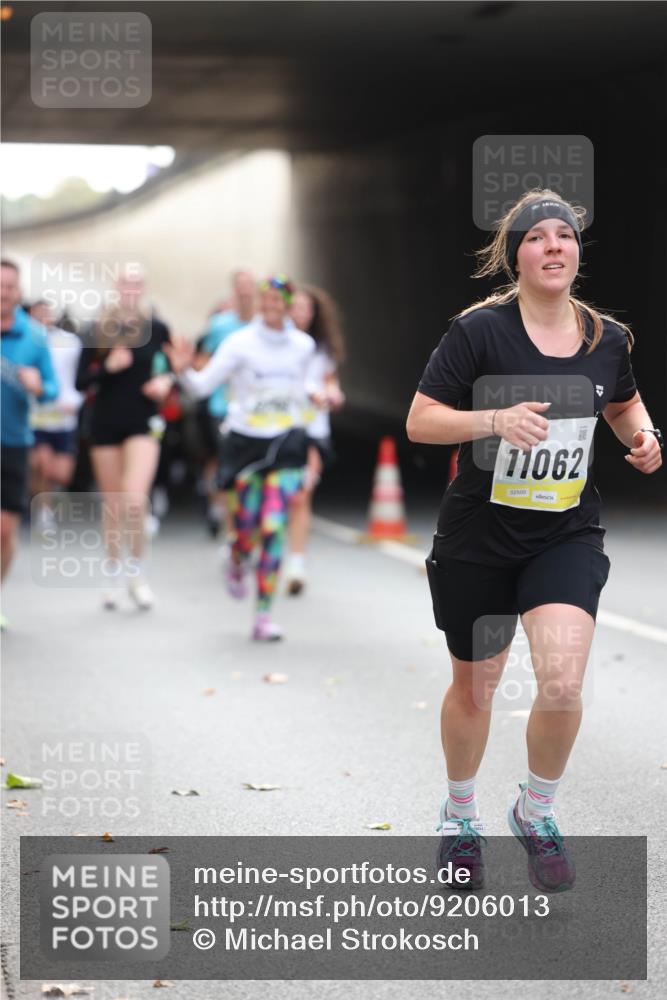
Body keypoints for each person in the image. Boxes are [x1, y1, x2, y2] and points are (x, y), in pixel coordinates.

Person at [406, 190, 663, 892]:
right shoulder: (477, 333)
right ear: (514, 255)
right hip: (477, 539)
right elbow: (421, 421)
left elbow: (621, 401)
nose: (553, 246)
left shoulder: (605, 337)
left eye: (565, 236)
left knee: (560, 680)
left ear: (577, 252)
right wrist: (492, 421)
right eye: (536, 237)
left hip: (564, 534)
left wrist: (642, 436)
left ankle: (534, 810)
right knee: (476, 689)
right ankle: (460, 819)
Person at [166, 274, 320, 641]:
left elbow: (304, 387)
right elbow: (202, 386)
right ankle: (237, 557)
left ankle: (263, 616)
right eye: (265, 301)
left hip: (285, 444)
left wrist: (319, 396)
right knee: (248, 526)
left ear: (287, 305)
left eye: (278, 301)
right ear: (258, 304)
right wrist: (184, 369)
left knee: (272, 526)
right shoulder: (239, 343)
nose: (271, 307)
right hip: (245, 445)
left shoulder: (303, 346)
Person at [75, 270, 173, 610]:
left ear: (143, 289)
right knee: (114, 504)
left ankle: (138, 574)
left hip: (142, 422)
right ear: (116, 288)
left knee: (135, 500)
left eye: (137, 284)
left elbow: (168, 366)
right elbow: (80, 380)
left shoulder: (157, 328)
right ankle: (113, 573)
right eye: (125, 283)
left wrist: (164, 382)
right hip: (105, 424)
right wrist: (108, 368)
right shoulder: (97, 328)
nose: (131, 290)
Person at [1, 261, 59, 626]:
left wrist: (39, 386)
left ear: (18, 292)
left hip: (14, 443)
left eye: (9, 287)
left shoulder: (35, 337)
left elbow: (53, 389)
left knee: (5, 532)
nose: (2, 293)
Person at [284, 285, 346, 594]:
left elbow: (330, 383)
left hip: (312, 432)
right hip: (276, 431)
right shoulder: (275, 346)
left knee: (301, 494)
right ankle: (246, 544)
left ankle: (296, 564)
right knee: (273, 497)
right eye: (295, 307)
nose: (300, 313)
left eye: (306, 308)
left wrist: (333, 396)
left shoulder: (322, 350)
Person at [197, 270, 258, 538]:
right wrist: (221, 371)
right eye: (240, 287)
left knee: (251, 469)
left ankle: (245, 524)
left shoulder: (266, 326)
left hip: (256, 412)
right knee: (225, 463)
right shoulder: (220, 326)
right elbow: (203, 361)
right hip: (222, 407)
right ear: (233, 290)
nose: (245, 292)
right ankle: (222, 513)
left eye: (249, 287)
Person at [28, 299, 83, 531]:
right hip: (36, 417)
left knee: (61, 473)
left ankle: (46, 497)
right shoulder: (24, 342)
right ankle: (43, 509)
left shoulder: (70, 343)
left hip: (64, 417)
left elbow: (79, 376)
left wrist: (74, 398)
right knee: (42, 465)